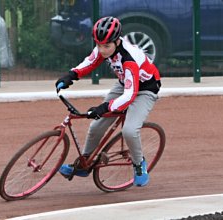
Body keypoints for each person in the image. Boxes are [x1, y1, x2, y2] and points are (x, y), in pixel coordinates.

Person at [55, 16, 161, 187]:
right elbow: (90, 61)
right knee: (96, 126)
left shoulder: (130, 59)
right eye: (98, 45)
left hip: (145, 90)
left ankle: (139, 164)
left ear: (117, 41)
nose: (102, 50)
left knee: (129, 130)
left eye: (106, 46)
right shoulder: (104, 46)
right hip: (125, 84)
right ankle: (84, 164)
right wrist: (72, 75)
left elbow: (130, 95)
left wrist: (104, 107)